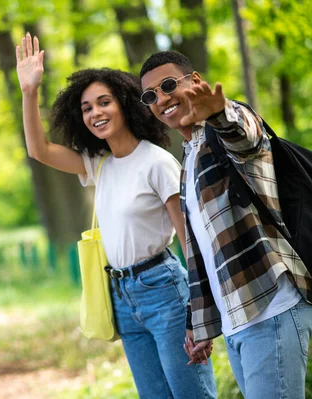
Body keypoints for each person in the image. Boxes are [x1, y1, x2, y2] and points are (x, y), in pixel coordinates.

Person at [16, 32, 216, 398]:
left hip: (166, 291)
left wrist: (197, 314)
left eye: (104, 102)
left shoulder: (157, 162)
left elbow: (190, 242)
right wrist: (30, 91)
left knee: (192, 394)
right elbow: (39, 149)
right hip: (121, 295)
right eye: (87, 108)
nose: (95, 113)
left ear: (124, 104)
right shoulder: (98, 165)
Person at [139, 50, 312, 398]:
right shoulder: (188, 158)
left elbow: (243, 135)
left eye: (169, 85)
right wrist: (198, 322)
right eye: (150, 95)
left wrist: (219, 113)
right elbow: (204, 251)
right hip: (238, 322)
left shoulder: (226, 127)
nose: (162, 98)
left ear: (196, 81)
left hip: (271, 308)